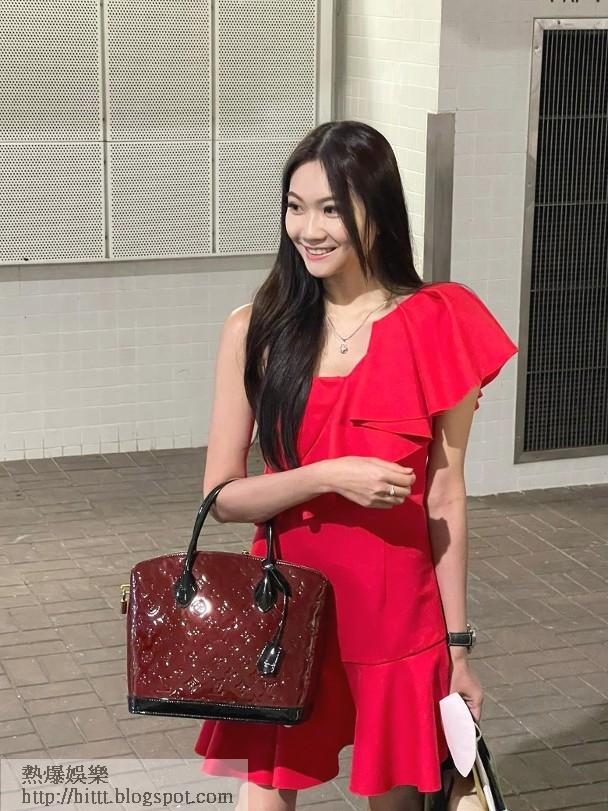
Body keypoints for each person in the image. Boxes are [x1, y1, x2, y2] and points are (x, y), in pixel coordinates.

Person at [194, 120, 518, 811]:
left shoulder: (439, 321)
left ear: (377, 209)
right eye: (295, 207)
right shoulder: (255, 329)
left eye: (331, 209)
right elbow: (221, 496)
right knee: (266, 787)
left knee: (394, 796)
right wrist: (328, 475)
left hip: (398, 611)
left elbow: (446, 497)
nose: (308, 229)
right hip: (287, 603)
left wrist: (458, 647)